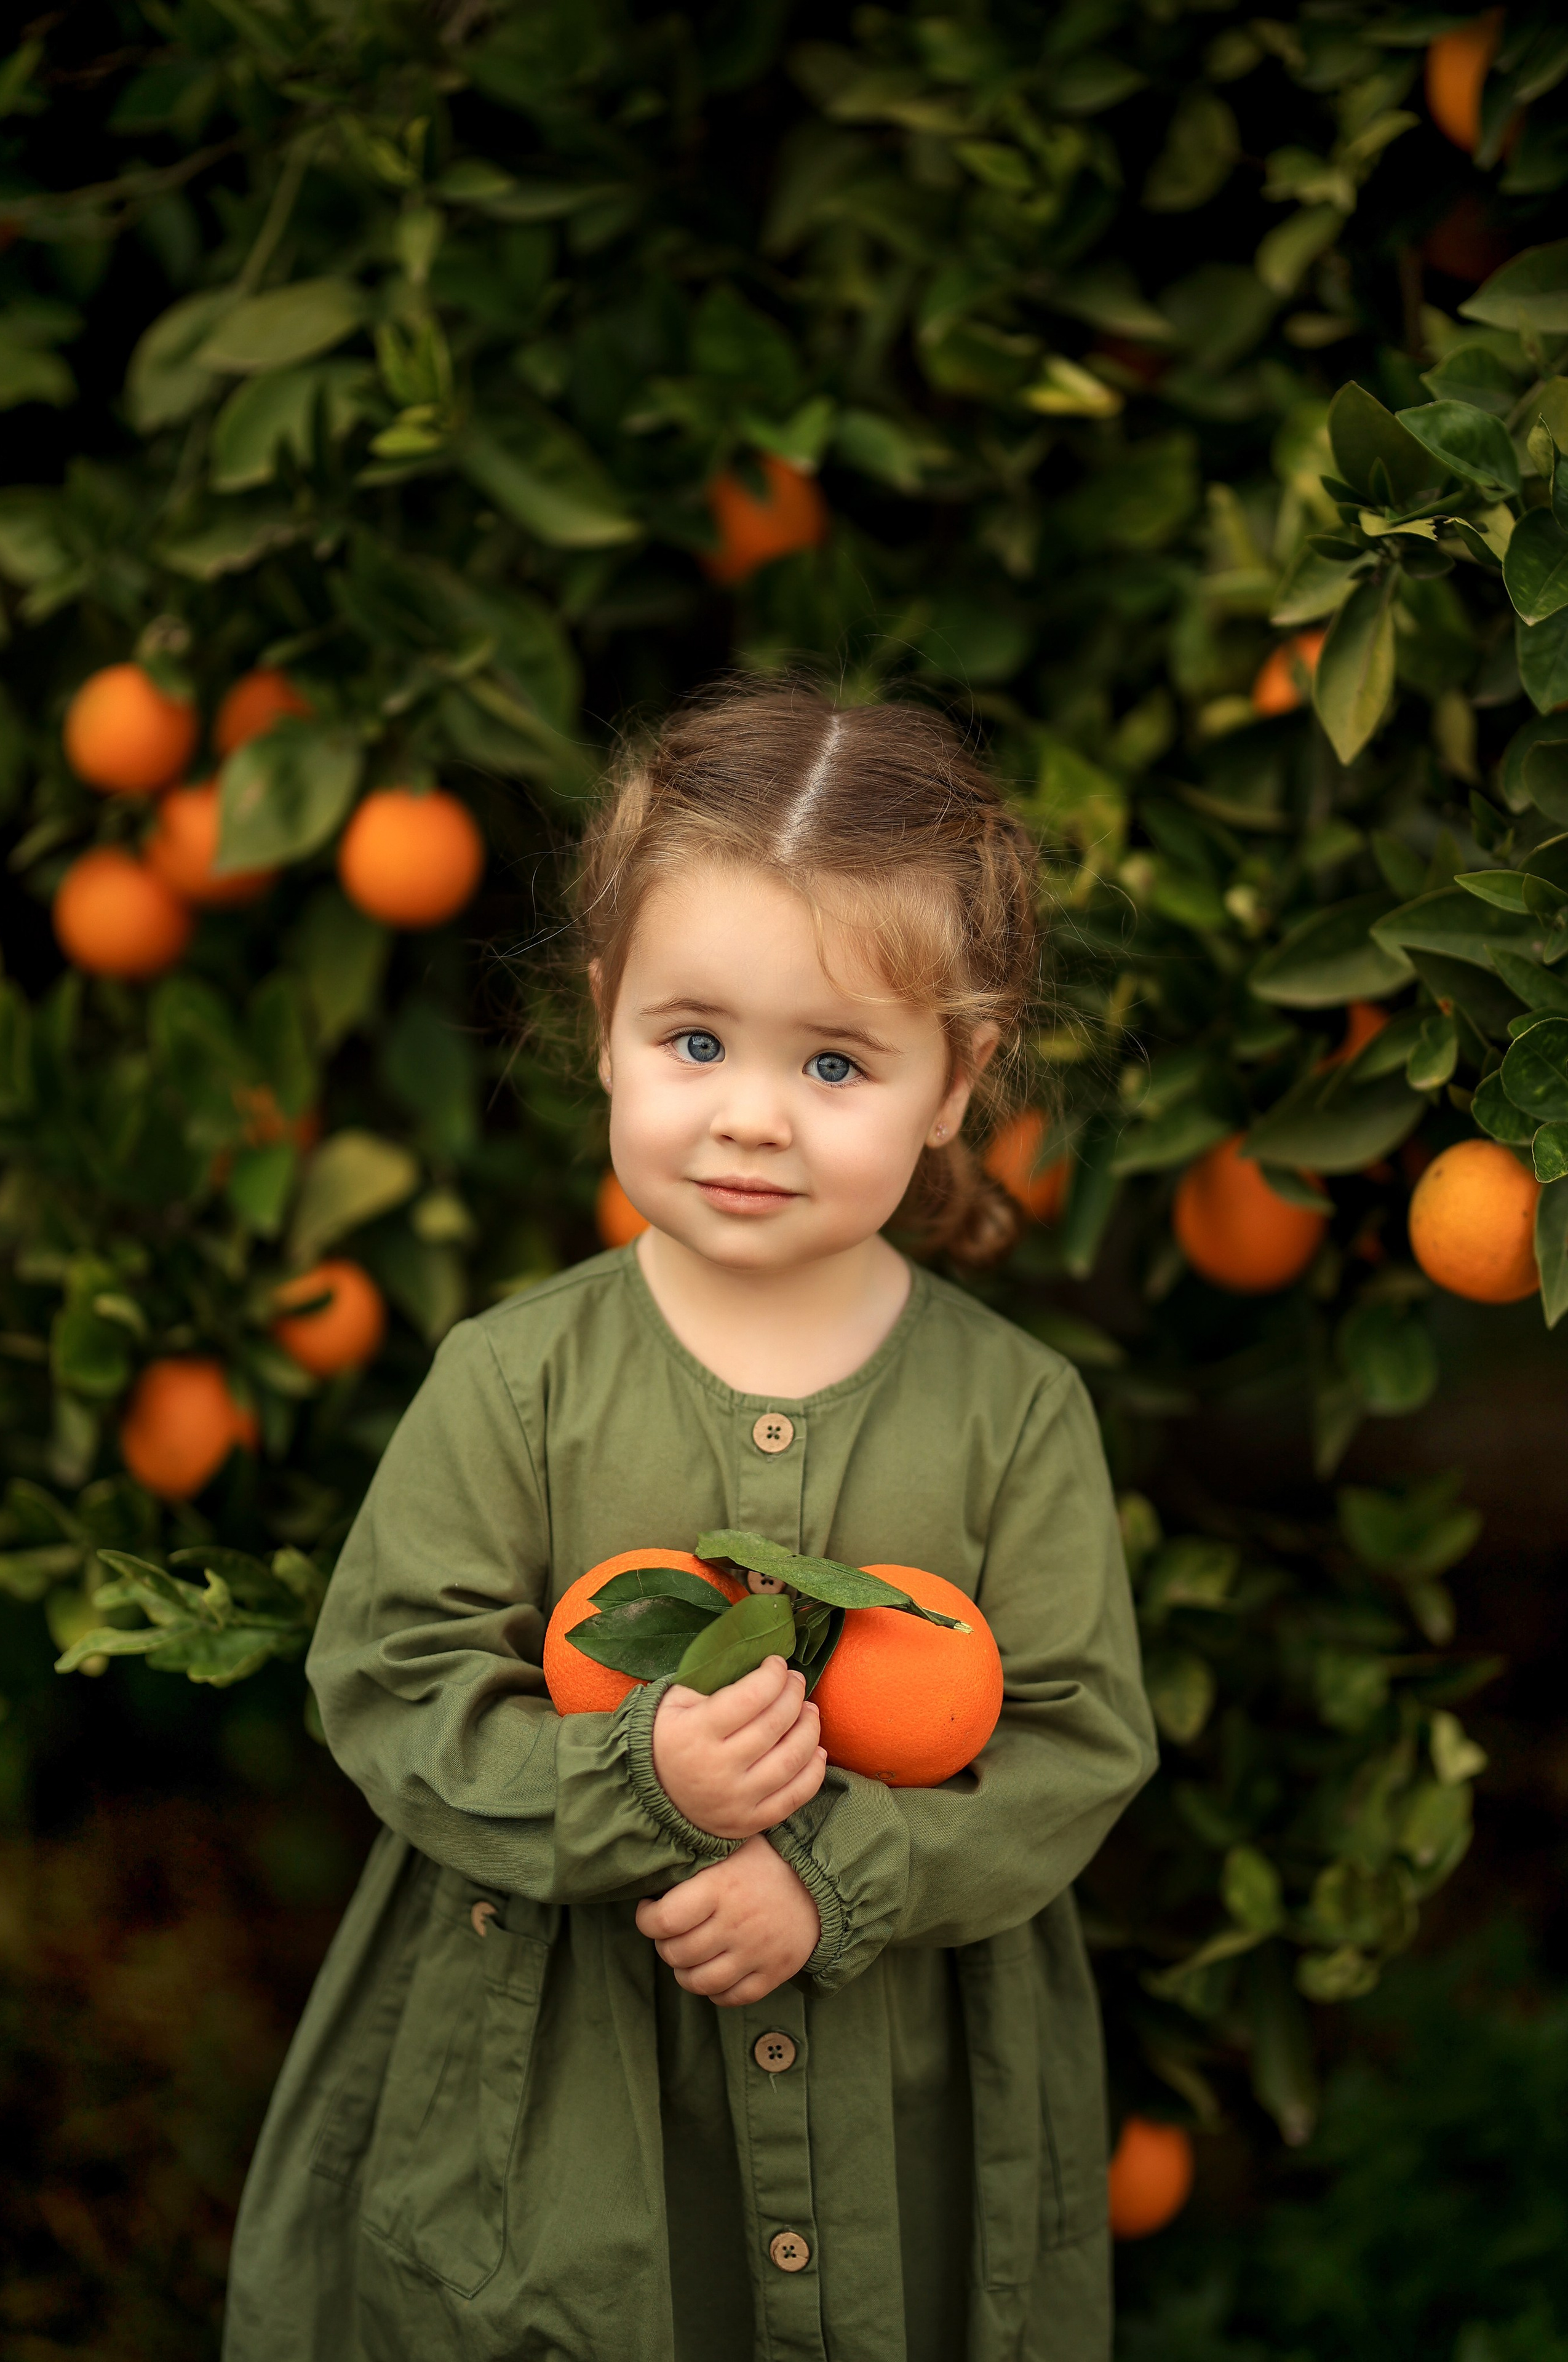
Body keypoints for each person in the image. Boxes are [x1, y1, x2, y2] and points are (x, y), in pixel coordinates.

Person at [224, 684, 1157, 2362]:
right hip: (559, 2073)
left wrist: (833, 1876)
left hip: (900, 2075)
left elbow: (1077, 1741)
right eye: (696, 1040)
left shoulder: (1014, 1415)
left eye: (835, 1061)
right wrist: (636, 1776)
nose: (748, 1113)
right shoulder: (516, 1383)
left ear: (960, 1078)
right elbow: (391, 1676)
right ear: (603, 1022)